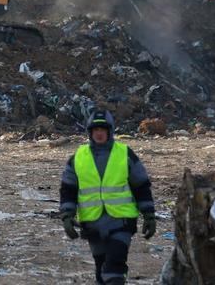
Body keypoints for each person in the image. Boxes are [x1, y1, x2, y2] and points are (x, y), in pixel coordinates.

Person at [59, 109, 156, 285]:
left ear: (110, 131)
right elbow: (68, 189)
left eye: (103, 129)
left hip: (121, 221)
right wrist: (67, 215)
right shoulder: (78, 157)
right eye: (95, 129)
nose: (99, 133)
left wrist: (149, 214)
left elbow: (141, 185)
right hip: (93, 223)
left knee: (114, 268)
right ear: (90, 132)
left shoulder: (125, 154)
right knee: (101, 272)